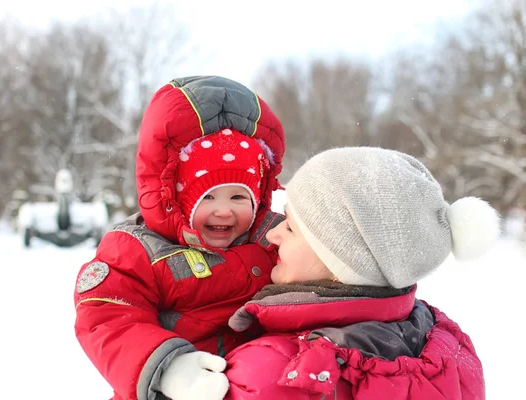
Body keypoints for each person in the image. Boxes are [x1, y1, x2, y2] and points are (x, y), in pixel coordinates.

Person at [224, 147, 498, 400]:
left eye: (291, 228)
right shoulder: (447, 347)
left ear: (341, 265)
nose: (272, 234)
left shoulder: (274, 376)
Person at [73, 76, 285, 400]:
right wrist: (168, 368)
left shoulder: (275, 237)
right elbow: (107, 315)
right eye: (208, 198)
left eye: (239, 198)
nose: (224, 212)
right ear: (176, 198)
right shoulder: (139, 249)